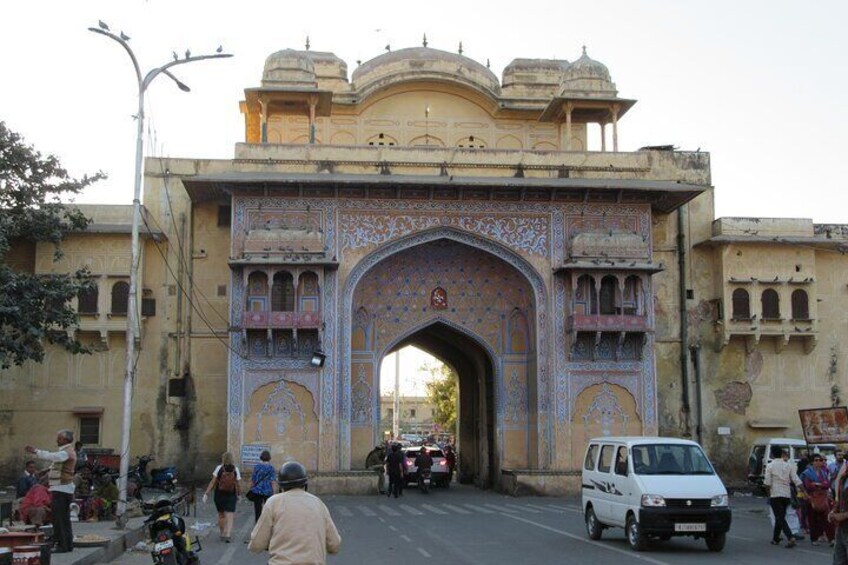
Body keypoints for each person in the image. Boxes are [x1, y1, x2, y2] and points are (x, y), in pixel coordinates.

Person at [248, 461, 341, 564]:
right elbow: (335, 545)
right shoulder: (318, 503)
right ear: (305, 484)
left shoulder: (273, 502)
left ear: (281, 486)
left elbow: (256, 545)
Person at [25, 429, 77, 554]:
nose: (57, 440)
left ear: (65, 440)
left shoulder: (66, 452)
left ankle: (62, 545)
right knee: (64, 519)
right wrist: (46, 471)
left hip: (61, 489)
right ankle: (68, 544)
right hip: (62, 488)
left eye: (59, 438)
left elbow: (52, 456)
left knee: (58, 519)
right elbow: (56, 464)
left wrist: (36, 451)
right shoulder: (66, 451)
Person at [765, 446, 803, 548]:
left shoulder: (770, 466)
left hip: (775, 494)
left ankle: (790, 537)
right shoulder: (788, 465)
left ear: (772, 454)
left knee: (779, 517)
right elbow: (796, 479)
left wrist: (768, 494)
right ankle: (775, 538)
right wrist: (804, 491)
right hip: (786, 494)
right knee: (780, 516)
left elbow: (767, 482)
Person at [202, 451, 241, 542]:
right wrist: (239, 494)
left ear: (223, 459)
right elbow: (238, 484)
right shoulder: (236, 469)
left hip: (219, 494)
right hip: (231, 494)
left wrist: (206, 493)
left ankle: (222, 533)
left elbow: (213, 482)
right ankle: (228, 534)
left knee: (221, 514)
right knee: (230, 514)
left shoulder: (219, 468)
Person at [801, 454, 835, 546]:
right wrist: (820, 484)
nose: (818, 462)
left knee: (827, 519)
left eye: (820, 460)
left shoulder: (824, 472)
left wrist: (817, 484)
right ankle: (814, 538)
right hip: (811, 498)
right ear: (812, 462)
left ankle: (831, 539)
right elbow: (808, 485)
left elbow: (827, 484)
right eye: (816, 460)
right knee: (813, 519)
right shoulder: (807, 473)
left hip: (823, 498)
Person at [248, 450, 277, 523]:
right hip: (268, 491)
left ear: (261, 457)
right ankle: (266, 522)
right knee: (268, 508)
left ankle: (258, 523)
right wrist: (274, 492)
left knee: (257, 509)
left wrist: (251, 488)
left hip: (257, 490)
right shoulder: (271, 468)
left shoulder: (257, 467)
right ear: (269, 458)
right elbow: (273, 481)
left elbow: (253, 480)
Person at [829, 460, 848, 563]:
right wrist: (834, 510)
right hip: (842, 527)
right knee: (839, 560)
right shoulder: (843, 478)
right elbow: (840, 499)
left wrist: (844, 515)